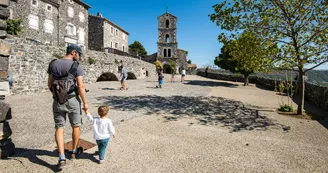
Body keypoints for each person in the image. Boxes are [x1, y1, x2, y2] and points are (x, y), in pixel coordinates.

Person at [47, 44, 89, 170]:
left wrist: (59, 95)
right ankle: (74, 151)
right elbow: (81, 86)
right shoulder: (76, 66)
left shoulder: (53, 63)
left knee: (59, 127)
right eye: (79, 54)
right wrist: (85, 103)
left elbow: (49, 84)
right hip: (72, 100)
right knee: (75, 126)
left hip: (57, 100)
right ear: (74, 52)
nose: (79, 57)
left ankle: (61, 157)